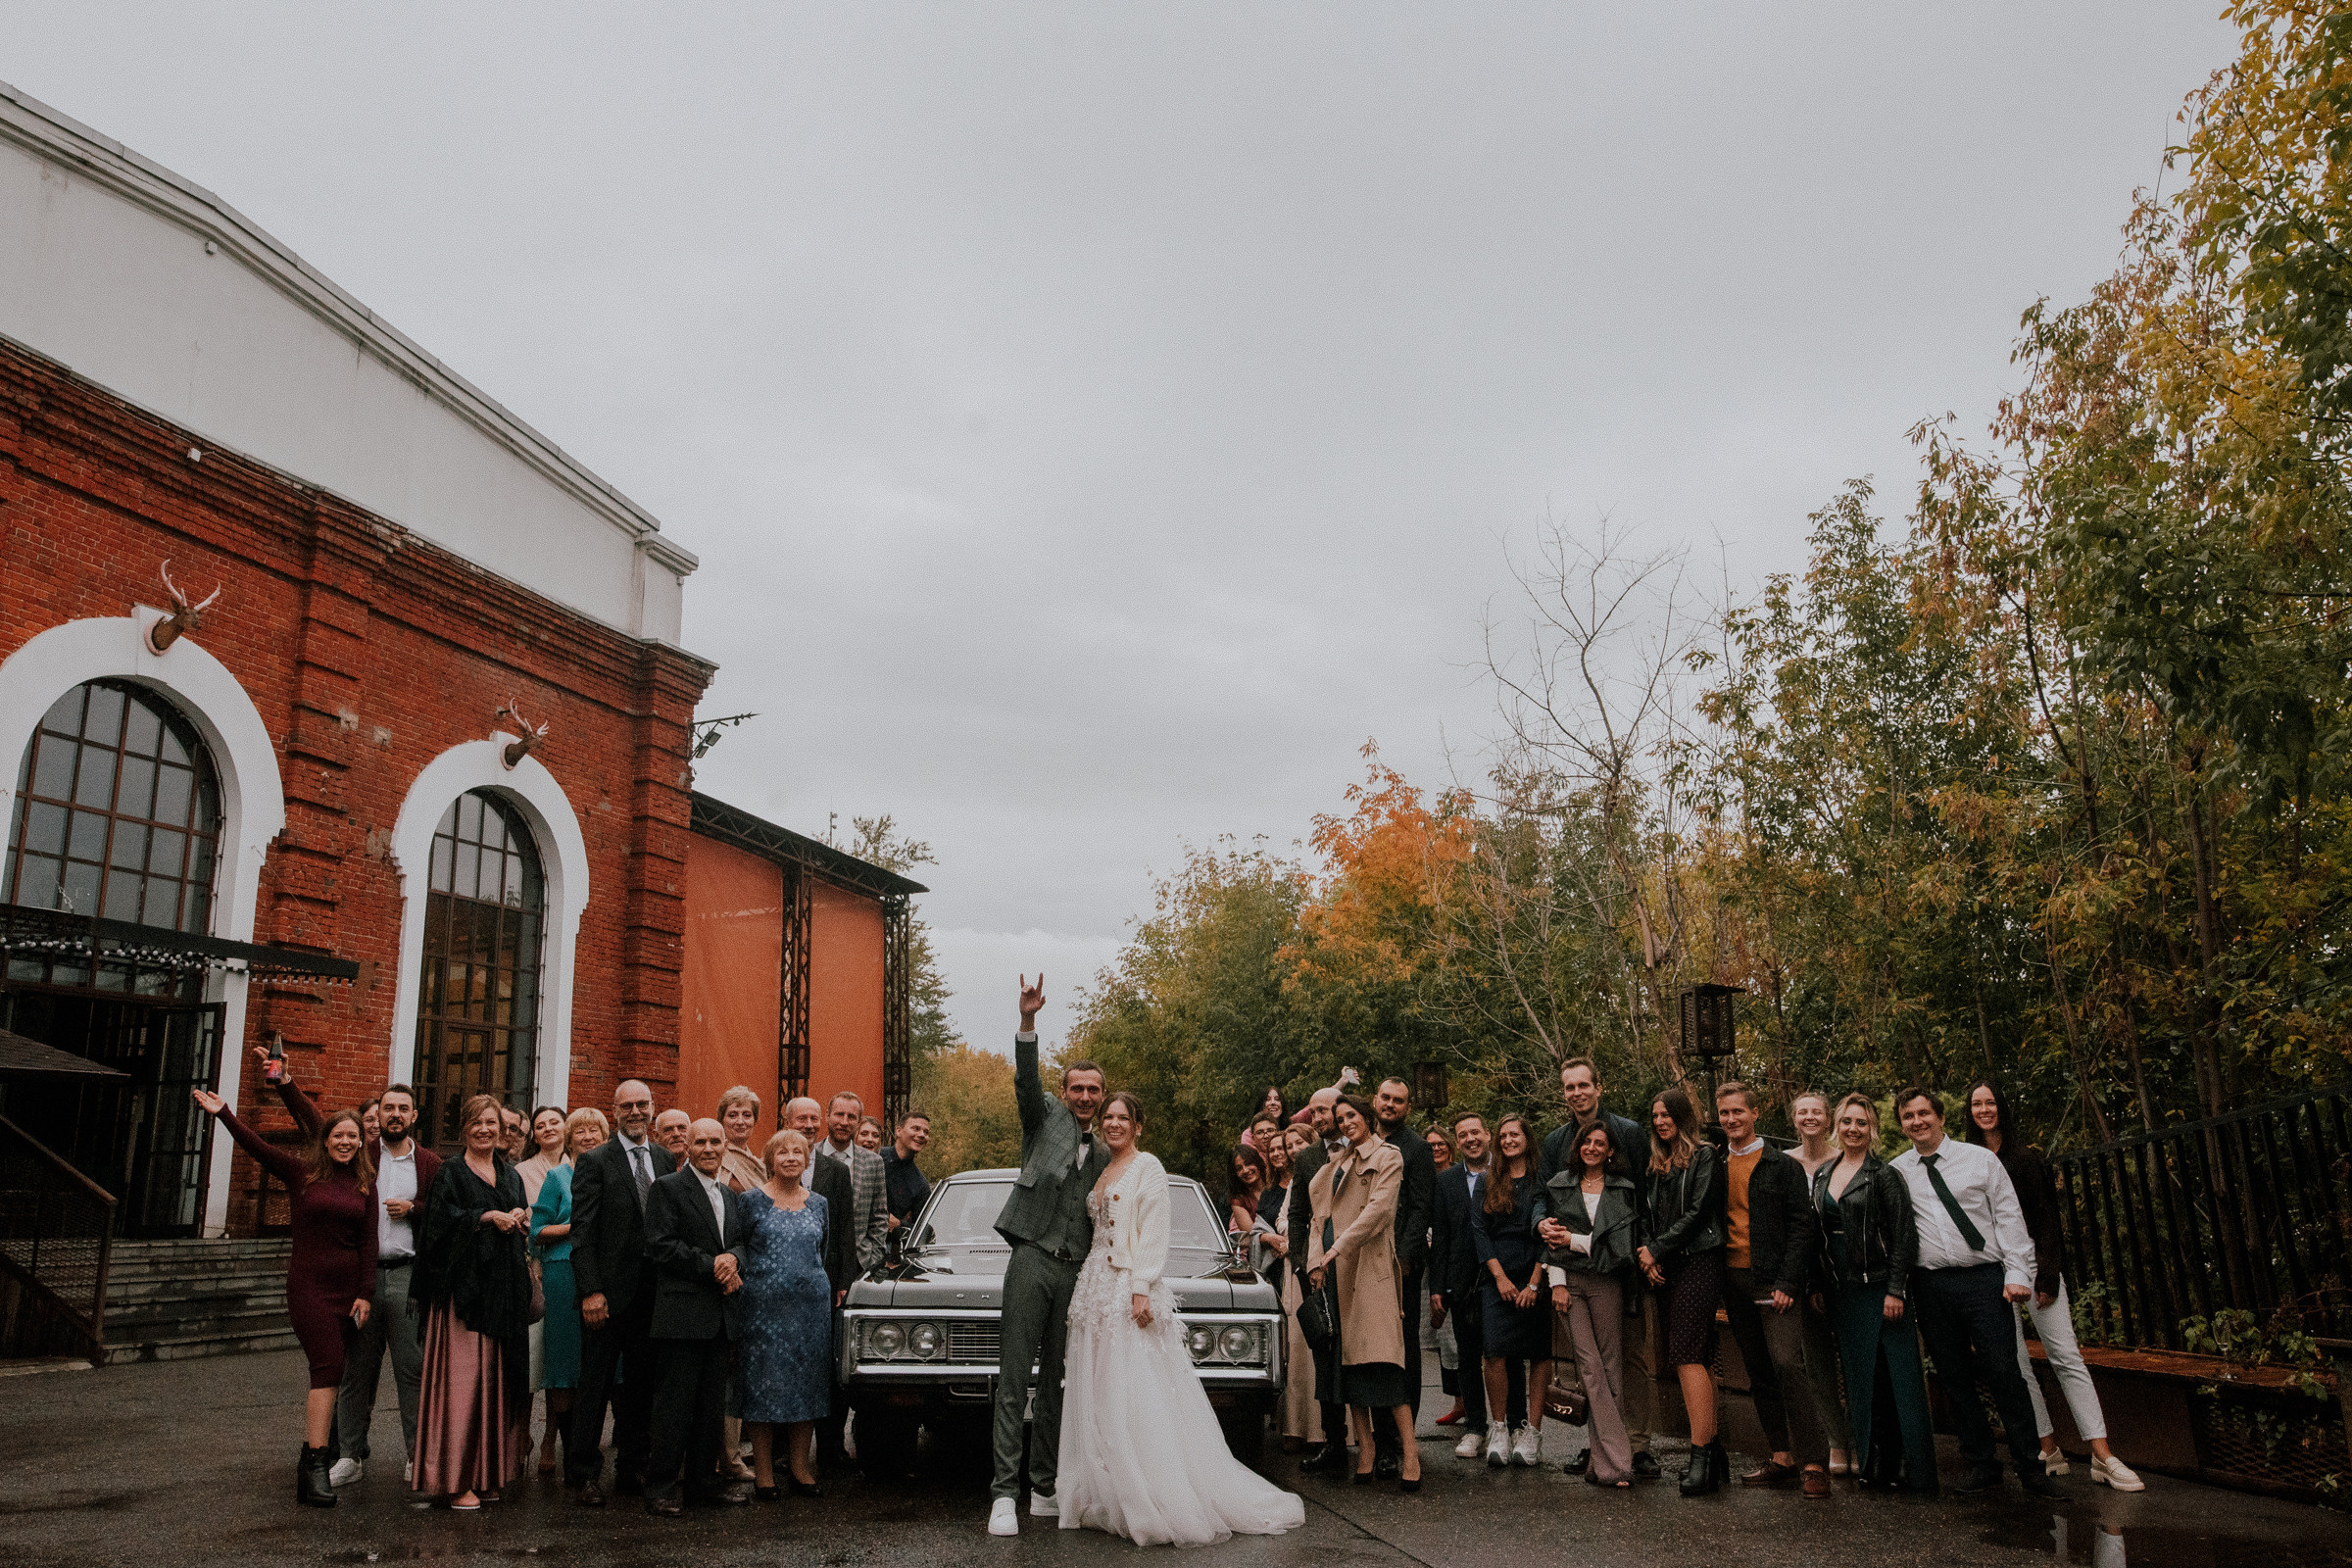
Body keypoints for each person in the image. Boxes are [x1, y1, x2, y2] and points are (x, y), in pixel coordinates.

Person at [1055, 1090, 1307, 1543]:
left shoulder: (1147, 1167)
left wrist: (1140, 1288)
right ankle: (1105, 1488)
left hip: (1126, 1285)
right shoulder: (1100, 1167)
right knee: (1097, 1390)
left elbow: (1154, 1230)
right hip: (1092, 1287)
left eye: (1122, 1118)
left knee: (1132, 1390)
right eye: (1108, 1117)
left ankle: (1150, 1493)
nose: (1113, 1124)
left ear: (1137, 1125)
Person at [190, 1064, 376, 1507]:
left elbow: (368, 1244)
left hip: (349, 1291)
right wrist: (225, 1114)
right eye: (338, 1136)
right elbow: (257, 1148)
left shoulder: (366, 1184)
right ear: (325, 1140)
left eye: (353, 1136)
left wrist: (366, 1293)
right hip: (310, 1288)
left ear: (360, 1142)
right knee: (327, 1368)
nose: (346, 1142)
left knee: (338, 1371)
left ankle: (313, 1461)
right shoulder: (302, 1175)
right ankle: (315, 1464)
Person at [260, 1056, 440, 1491]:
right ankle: (349, 1455)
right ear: (377, 1117)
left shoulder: (431, 1164)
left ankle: (417, 1458)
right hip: (357, 1282)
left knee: (412, 1371)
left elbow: (444, 1216)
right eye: (387, 1110)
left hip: (406, 1276)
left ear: (414, 1116)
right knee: (356, 1371)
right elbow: (318, 1125)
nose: (394, 1116)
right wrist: (286, 1085)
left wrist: (415, 1210)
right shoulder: (360, 1154)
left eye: (403, 1109)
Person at [1965, 1080, 2144, 1492]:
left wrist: (2047, 1273)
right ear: (1968, 1112)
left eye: (1991, 1101)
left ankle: (2102, 1453)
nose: (1985, 1109)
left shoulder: (2025, 1158)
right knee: (2016, 1363)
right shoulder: (1968, 1160)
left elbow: (2047, 1217)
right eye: (1977, 1103)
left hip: (2033, 1265)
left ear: (2002, 1107)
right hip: (1994, 1271)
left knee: (2065, 1356)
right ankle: (2048, 1447)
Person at [1888, 1087, 2066, 1499]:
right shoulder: (1898, 1172)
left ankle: (2030, 1466)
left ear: (1941, 1117)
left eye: (1923, 1113)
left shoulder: (1980, 1160)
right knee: (1954, 1376)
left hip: (1984, 1280)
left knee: (2005, 1372)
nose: (1917, 1122)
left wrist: (2017, 1274)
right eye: (1908, 1116)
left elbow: (2009, 1219)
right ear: (1902, 1125)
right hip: (1931, 1284)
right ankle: (1982, 1464)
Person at [988, 975, 1108, 1537]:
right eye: (1077, 1088)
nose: (1084, 1097)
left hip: (1077, 1272)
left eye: (1093, 1091)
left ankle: (1043, 1487)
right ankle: (1003, 1495)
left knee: (1058, 1380)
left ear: (1102, 1097)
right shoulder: (1046, 1120)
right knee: (1015, 1378)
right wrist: (1029, 1022)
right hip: (1032, 1258)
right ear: (1066, 1092)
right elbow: (1025, 1080)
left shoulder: (1110, 1150)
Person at [1536, 1056, 1661, 1481]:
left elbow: (1643, 1199)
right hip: (1573, 1270)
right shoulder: (1555, 1142)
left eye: (1583, 1085)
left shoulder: (1627, 1132)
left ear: (1598, 1087)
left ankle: (1636, 1444)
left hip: (1625, 1265)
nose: (1577, 1093)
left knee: (1630, 1356)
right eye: (1569, 1087)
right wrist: (1542, 1223)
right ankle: (1601, 1447)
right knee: (1589, 1362)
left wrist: (1647, 1250)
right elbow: (1544, 1196)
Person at [410, 1093, 532, 1510]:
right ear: (465, 1128)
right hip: (463, 1297)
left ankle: (486, 1475)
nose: (485, 1130)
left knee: (496, 1386)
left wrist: (520, 1218)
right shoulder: (451, 1172)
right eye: (477, 1123)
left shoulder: (510, 1174)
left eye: (493, 1124)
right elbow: (437, 1228)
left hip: (503, 1293)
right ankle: (455, 1478)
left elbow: (520, 1214)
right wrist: (483, 1218)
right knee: (464, 1388)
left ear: (503, 1131)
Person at [1811, 1093, 1936, 1495]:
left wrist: (1896, 1289)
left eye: (1861, 1123)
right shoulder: (1824, 1175)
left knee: (1897, 1377)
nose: (1853, 1129)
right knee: (1861, 1377)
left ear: (1873, 1130)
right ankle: (1873, 1462)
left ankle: (1909, 1466)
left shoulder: (1883, 1175)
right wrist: (1817, 1285)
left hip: (1881, 1288)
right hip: (1842, 1290)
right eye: (1847, 1121)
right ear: (1837, 1126)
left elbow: (1904, 1236)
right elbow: (1817, 1236)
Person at [1712, 1082, 1830, 1497]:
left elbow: (1803, 1228)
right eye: (1724, 1113)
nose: (1731, 1120)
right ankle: (1782, 1456)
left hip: (1773, 1281)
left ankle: (1815, 1461)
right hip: (1733, 1279)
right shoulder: (1716, 1163)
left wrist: (1788, 1282)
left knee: (1787, 1364)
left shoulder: (1782, 1166)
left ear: (1755, 1112)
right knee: (1758, 1369)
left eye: (1738, 1112)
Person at [565, 1079, 676, 1505]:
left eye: (642, 1104)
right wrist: (591, 1291)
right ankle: (583, 1474)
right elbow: (583, 1232)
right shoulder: (594, 1161)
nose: (635, 1111)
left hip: (653, 1296)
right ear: (614, 1110)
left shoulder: (666, 1159)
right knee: (594, 1385)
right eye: (627, 1105)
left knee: (642, 1387)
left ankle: (633, 1466)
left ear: (652, 1109)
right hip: (606, 1297)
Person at [1305, 1095, 1420, 1491]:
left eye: (1351, 1115)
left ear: (1366, 1116)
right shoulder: (1337, 1161)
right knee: (1347, 1364)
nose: (1346, 1122)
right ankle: (1366, 1450)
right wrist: (1315, 1261)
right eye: (1340, 1118)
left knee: (1385, 1362)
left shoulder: (1389, 1156)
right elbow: (1319, 1216)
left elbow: (1380, 1211)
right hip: (1335, 1273)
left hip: (1370, 1271)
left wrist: (1336, 1249)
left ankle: (1410, 1454)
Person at [641, 1118, 753, 1514]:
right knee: (674, 1406)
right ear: (686, 1145)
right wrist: (714, 1265)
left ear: (726, 1146)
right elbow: (661, 1245)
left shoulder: (729, 1194)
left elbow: (740, 1242)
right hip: (682, 1313)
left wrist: (733, 1260)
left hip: (721, 1315)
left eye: (715, 1142)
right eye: (700, 1141)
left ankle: (704, 1485)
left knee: (710, 1409)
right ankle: (660, 1487)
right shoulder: (667, 1188)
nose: (709, 1148)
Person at [1539, 1120, 1642, 1487]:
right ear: (1578, 1147)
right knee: (1590, 1366)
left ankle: (1602, 1463)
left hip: (1607, 1282)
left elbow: (1620, 1247)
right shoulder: (1559, 1184)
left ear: (1611, 1150)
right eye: (1587, 1142)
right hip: (1570, 1284)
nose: (1592, 1148)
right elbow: (1549, 1241)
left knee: (1611, 1367)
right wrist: (1557, 1283)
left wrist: (1574, 1241)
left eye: (1601, 1143)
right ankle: (1618, 1462)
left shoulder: (1623, 1189)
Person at [1638, 1087, 1728, 1496]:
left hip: (1699, 1260)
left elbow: (1698, 1213)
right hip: (1665, 1267)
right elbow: (1645, 1214)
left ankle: (1700, 1457)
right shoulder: (1656, 1162)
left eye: (1666, 1114)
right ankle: (1715, 1453)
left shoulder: (1705, 1155)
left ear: (1681, 1115)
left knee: (1687, 1354)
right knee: (1699, 1355)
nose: (1660, 1121)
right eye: (1654, 1116)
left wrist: (1656, 1249)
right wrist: (1649, 1256)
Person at [739, 1128, 833, 1499]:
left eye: (799, 1152)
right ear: (770, 1159)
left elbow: (821, 1251)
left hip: (810, 1310)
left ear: (807, 1160)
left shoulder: (820, 1203)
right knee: (763, 1388)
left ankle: (799, 1467)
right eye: (783, 1152)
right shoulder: (750, 1201)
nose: (791, 1157)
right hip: (763, 1310)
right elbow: (741, 1248)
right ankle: (763, 1473)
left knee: (806, 1387)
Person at [1431, 1112, 1524, 1459]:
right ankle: (1474, 1427)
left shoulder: (1506, 1172)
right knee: (1468, 1355)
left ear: (1488, 1135)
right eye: (1462, 1135)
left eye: (1475, 1132)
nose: (1470, 1139)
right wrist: (1436, 1288)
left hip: (1502, 1274)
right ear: (1457, 1142)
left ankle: (1516, 1423)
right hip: (1462, 1279)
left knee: (1506, 1353)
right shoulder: (1447, 1181)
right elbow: (1441, 1236)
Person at [783, 1095, 861, 1469]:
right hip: (780, 1285)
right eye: (802, 1119)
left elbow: (846, 1230)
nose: (810, 1126)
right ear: (787, 1121)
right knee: (785, 1364)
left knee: (827, 1367)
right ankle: (783, 1452)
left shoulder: (836, 1171)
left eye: (815, 1119)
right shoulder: (773, 1163)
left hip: (826, 1285)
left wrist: (845, 1281)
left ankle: (830, 1449)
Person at [529, 1108, 606, 1483]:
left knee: (604, 1366)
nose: (588, 1136)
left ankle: (590, 1449)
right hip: (562, 1275)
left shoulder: (611, 1173)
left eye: (595, 1130)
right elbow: (536, 1231)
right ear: (570, 1138)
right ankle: (570, 1450)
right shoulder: (558, 1177)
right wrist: (576, 1226)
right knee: (564, 1366)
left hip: (604, 1276)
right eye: (581, 1131)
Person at [1468, 1113, 1549, 1468]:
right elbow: (1479, 1233)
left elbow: (1549, 1233)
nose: (1508, 1141)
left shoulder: (1543, 1181)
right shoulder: (1488, 1181)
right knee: (1494, 1352)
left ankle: (1531, 1432)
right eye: (1503, 1136)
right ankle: (1499, 1427)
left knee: (1539, 1354)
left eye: (1515, 1135)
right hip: (1497, 1277)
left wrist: (1534, 1282)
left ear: (1527, 1139)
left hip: (1536, 1275)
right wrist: (1500, 1279)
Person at [1284, 1081, 1354, 1472]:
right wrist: (1300, 1263)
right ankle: (1334, 1443)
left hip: (1356, 1266)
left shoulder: (1362, 1149)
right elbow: (1296, 1213)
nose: (1317, 1117)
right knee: (1324, 1355)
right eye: (1312, 1112)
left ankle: (1382, 1443)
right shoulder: (1308, 1158)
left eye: (1323, 1110)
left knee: (1359, 1353)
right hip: (1315, 1271)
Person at [1370, 1076, 1437, 1476]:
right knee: (1372, 1348)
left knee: (1404, 1349)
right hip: (1365, 1261)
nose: (1391, 1105)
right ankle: (1377, 1437)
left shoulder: (1417, 1148)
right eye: (1385, 1097)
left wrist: (1407, 1256)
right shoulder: (1361, 1141)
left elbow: (1420, 1207)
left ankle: (1401, 1436)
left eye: (1398, 1100)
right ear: (1375, 1100)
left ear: (1407, 1108)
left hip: (1401, 1264)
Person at [1788, 1090, 1855, 1477]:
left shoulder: (1847, 1157)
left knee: (1853, 1359)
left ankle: (1861, 1439)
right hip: (1804, 1274)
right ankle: (1835, 1439)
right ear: (1794, 1119)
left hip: (1845, 1271)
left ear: (1828, 1119)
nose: (1810, 1118)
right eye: (1802, 1112)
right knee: (1816, 1363)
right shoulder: (1784, 1163)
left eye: (1816, 1112)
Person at [514, 1103, 570, 1474]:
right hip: (528, 1270)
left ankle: (550, 1436)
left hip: (564, 1272)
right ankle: (520, 1435)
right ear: (533, 1135)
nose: (548, 1128)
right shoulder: (521, 1171)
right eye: (540, 1125)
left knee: (558, 1361)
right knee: (530, 1361)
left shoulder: (581, 1165)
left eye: (554, 1122)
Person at [1269, 1125, 1323, 1453]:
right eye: (1288, 1145)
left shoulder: (1329, 1167)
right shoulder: (1296, 1178)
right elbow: (1283, 1218)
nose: (1292, 1150)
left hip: (1326, 1258)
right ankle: (1299, 1427)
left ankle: (1332, 1432)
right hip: (1297, 1263)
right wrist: (1292, 1234)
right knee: (1299, 1349)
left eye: (1298, 1142)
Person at [815, 1091, 890, 1274]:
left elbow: (879, 1216)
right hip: (815, 1260)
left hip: (859, 1262)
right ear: (827, 1115)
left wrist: (873, 1258)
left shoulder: (873, 1162)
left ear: (859, 1120)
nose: (844, 1122)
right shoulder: (809, 1156)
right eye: (839, 1114)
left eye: (851, 1117)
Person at [883, 1111, 933, 1252]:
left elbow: (922, 1233)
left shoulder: (921, 1184)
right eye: (915, 1128)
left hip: (889, 1249)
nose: (922, 1135)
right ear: (898, 1131)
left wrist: (898, 1224)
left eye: (926, 1132)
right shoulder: (876, 1159)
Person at [716, 1086, 768, 1195]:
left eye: (747, 1115)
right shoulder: (716, 1157)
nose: (740, 1121)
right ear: (721, 1120)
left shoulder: (757, 1164)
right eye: (732, 1115)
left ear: (755, 1121)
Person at [1227, 1143, 1269, 1237]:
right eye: (1239, 1168)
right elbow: (1252, 1234)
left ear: (1257, 1162)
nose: (1245, 1170)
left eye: (1248, 1163)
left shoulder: (1274, 1186)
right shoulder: (1238, 1201)